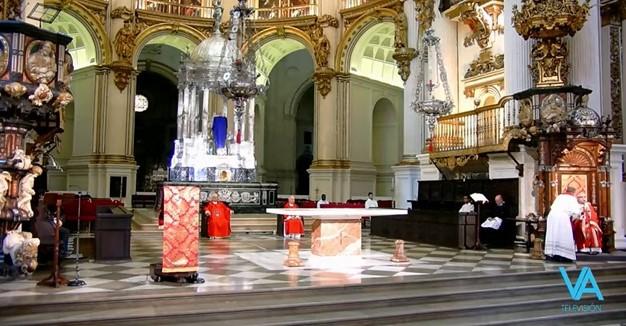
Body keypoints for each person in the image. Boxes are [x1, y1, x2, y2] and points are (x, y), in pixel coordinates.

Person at [544, 186, 583, 262]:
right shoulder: (572, 198)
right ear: (573, 192)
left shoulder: (560, 197)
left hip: (552, 216)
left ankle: (553, 254)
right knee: (564, 236)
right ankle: (564, 256)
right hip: (562, 217)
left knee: (554, 235)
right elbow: (577, 212)